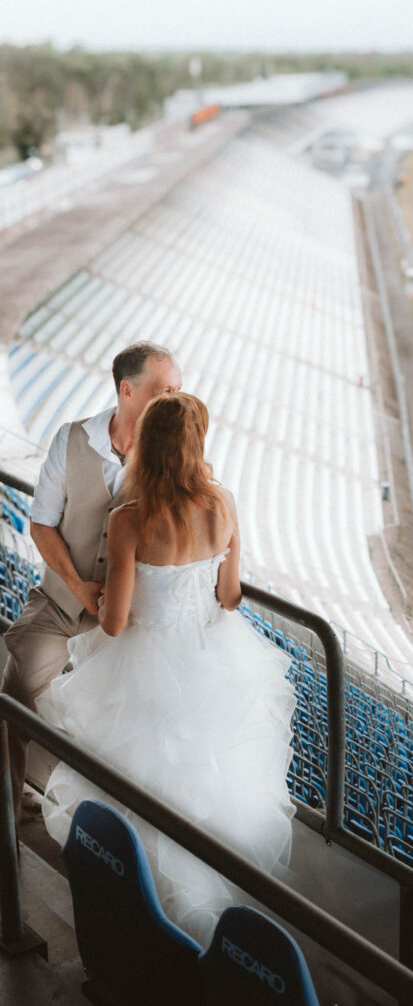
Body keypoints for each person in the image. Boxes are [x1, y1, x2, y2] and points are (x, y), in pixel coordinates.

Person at [36, 393, 296, 946]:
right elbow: (229, 596)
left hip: (142, 666)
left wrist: (105, 597)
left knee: (134, 790)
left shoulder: (128, 520)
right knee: (205, 790)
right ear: (197, 444)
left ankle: (137, 914)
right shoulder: (222, 503)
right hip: (206, 660)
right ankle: (199, 927)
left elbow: (113, 624)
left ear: (147, 447)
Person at [1, 341, 182, 828]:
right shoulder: (70, 438)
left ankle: (99, 839)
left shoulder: (172, 458)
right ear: (128, 390)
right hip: (62, 605)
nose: (175, 400)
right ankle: (7, 807)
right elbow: (40, 524)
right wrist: (80, 587)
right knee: (12, 687)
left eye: (178, 391)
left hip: (128, 627)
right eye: (165, 390)